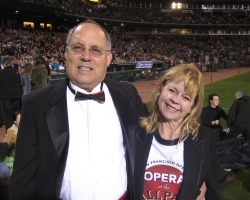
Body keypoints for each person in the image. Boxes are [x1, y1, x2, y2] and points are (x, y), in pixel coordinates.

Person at [11, 19, 148, 200]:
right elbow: (23, 183)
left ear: (108, 58)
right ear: (66, 53)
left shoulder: (128, 95)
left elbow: (154, 143)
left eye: (96, 50)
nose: (86, 56)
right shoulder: (36, 105)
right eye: (77, 48)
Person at [134, 64, 220, 200]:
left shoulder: (205, 139)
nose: (175, 100)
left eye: (186, 98)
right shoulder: (135, 134)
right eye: (172, 90)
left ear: (192, 107)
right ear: (160, 90)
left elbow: (213, 192)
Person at [0, 55, 22, 131]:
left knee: (7, 116)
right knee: (16, 115)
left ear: (4, 64)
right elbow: (19, 82)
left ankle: (10, 135)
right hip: (16, 95)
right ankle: (17, 132)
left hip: (6, 97)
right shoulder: (16, 71)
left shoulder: (2, 72)